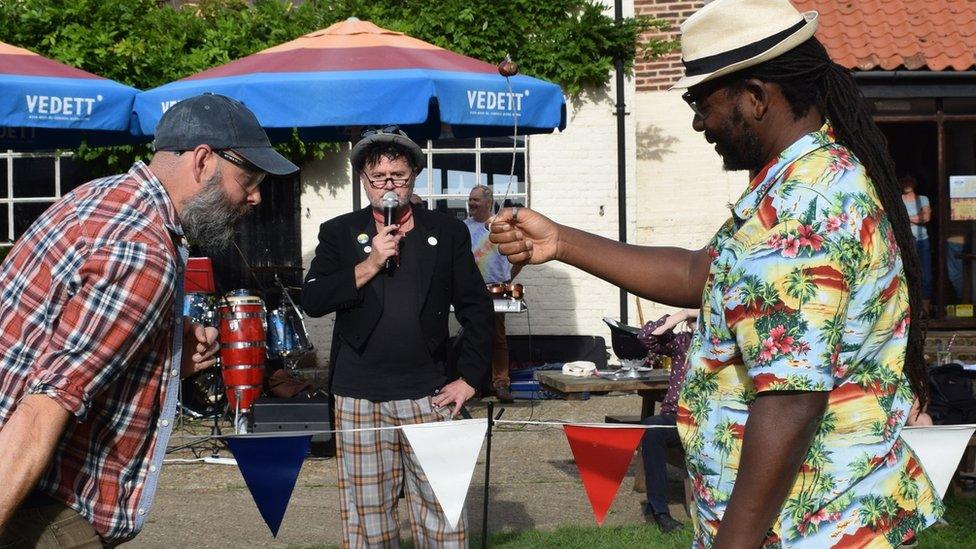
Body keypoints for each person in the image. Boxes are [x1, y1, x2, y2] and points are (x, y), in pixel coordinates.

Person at [489, 1, 942, 546]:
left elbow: (790, 399)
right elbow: (698, 273)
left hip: (810, 528)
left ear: (754, 97)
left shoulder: (802, 211)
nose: (700, 123)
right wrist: (560, 241)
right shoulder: (799, 182)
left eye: (702, 103)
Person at [0, 93, 298, 546]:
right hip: (41, 503)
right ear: (203, 161)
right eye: (249, 177)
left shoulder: (101, 197)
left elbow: (52, 337)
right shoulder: (143, 250)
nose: (256, 196)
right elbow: (45, 404)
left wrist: (164, 347)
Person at [302, 126, 493, 548]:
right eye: (378, 178)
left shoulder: (447, 232)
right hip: (358, 396)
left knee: (442, 515)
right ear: (363, 181)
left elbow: (477, 309)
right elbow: (313, 298)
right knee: (369, 522)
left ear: (415, 177)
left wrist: (471, 378)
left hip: (430, 393)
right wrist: (369, 263)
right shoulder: (338, 232)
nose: (389, 185)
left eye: (399, 176)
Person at [636, 309, 698, 533]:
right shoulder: (682, 343)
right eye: (693, 319)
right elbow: (646, 336)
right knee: (652, 428)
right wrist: (684, 314)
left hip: (708, 419)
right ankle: (660, 512)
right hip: (676, 417)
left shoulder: (721, 344)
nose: (696, 320)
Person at [465, 185, 522, 403]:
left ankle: (501, 384)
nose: (471, 203)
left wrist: (509, 276)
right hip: (472, 289)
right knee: (473, 336)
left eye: (476, 200)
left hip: (497, 287)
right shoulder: (464, 228)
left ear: (488, 202)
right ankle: (474, 384)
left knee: (498, 337)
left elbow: (520, 256)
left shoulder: (500, 226)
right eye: (470, 199)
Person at [901, 173, 932, 312]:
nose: (907, 185)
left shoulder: (922, 199)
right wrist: (916, 217)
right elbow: (896, 219)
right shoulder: (898, 199)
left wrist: (906, 217)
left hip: (922, 240)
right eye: (904, 182)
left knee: (926, 275)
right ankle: (911, 310)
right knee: (908, 274)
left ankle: (924, 312)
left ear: (914, 183)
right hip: (906, 241)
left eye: (910, 182)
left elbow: (926, 217)